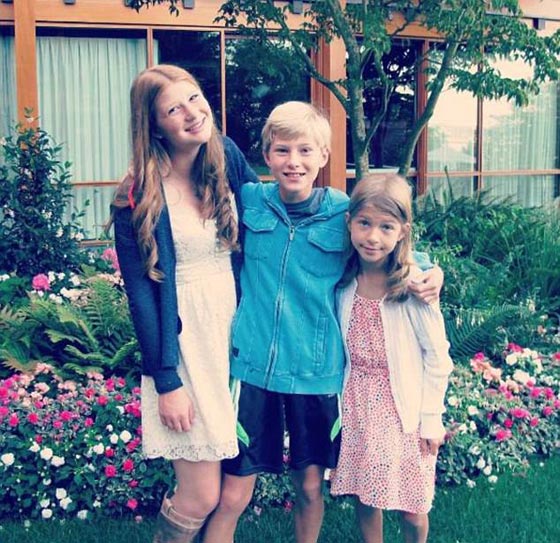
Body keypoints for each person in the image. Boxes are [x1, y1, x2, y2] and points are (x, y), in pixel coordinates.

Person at [202, 102, 444, 543]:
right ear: (266, 155)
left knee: (310, 487)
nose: (293, 161)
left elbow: (385, 237)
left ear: (324, 157)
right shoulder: (251, 199)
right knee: (233, 493)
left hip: (315, 377)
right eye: (281, 150)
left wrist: (429, 270)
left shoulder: (341, 214)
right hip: (253, 371)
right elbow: (215, 146)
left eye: (305, 150)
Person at [110, 64, 259, 543]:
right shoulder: (137, 194)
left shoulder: (226, 157)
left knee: (234, 493)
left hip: (236, 340)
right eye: (174, 109)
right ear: (154, 126)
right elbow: (141, 296)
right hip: (185, 347)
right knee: (199, 496)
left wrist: (413, 262)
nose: (193, 113)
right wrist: (167, 381)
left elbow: (278, 216)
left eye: (194, 98)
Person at [330, 173, 453, 543]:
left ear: (402, 232)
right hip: (357, 402)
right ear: (349, 222)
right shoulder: (343, 279)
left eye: (386, 227)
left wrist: (431, 419)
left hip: (404, 409)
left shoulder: (414, 286)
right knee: (367, 494)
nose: (373, 237)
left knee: (413, 507)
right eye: (364, 223)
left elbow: (438, 357)